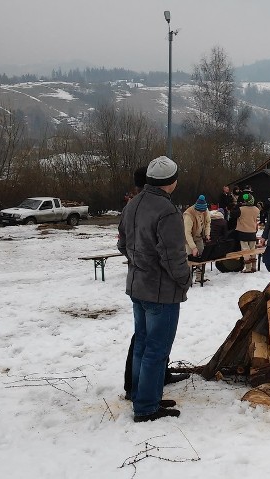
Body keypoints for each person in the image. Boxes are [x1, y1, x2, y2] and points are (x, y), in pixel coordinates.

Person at [118, 155, 190, 422]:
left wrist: (139, 264)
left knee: (142, 344)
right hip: (161, 292)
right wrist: (184, 280)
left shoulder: (133, 204)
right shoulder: (168, 212)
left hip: (137, 286)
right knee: (156, 349)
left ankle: (140, 393)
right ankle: (147, 406)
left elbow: (122, 244)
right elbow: (173, 256)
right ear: (172, 182)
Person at [235, 192, 261, 273]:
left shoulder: (241, 209)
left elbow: (233, 214)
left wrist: (238, 205)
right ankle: (254, 266)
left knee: (245, 250)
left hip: (243, 232)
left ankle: (248, 268)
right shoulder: (257, 209)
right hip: (252, 232)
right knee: (253, 249)